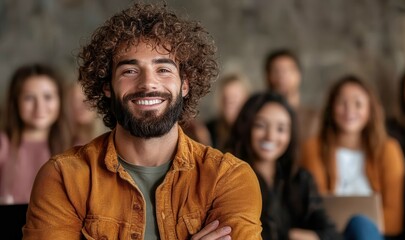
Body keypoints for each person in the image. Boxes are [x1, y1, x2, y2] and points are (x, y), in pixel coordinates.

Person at [23, 3, 262, 240]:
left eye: (163, 70)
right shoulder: (64, 177)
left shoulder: (228, 178)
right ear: (107, 86)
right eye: (130, 71)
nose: (148, 83)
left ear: (185, 84)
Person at [300, 75, 405, 238]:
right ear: (331, 108)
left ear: (370, 110)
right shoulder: (313, 148)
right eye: (342, 103)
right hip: (332, 236)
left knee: (361, 225)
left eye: (358, 104)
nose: (349, 110)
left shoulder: (388, 149)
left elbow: (394, 221)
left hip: (374, 235)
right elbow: (316, 209)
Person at [227, 91, 342, 240]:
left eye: (281, 129)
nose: (271, 136)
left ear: (290, 135)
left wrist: (292, 235)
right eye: (260, 125)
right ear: (246, 127)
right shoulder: (230, 179)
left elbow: (332, 234)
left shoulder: (300, 179)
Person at [0, 63, 71, 205]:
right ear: (16, 102)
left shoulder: (78, 146)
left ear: (60, 100)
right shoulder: (3, 143)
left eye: (48, 97)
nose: (40, 107)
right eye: (29, 98)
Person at [264, 48, 319, 143]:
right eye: (276, 71)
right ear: (267, 76)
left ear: (298, 75)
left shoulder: (313, 119)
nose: (281, 76)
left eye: (287, 70)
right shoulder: (258, 115)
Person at [206, 72, 250, 152]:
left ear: (246, 100)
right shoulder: (208, 130)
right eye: (226, 98)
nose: (230, 104)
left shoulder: (253, 130)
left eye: (235, 98)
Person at [67, 82, 108, 146]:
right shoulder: (59, 143)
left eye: (86, 100)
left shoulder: (109, 143)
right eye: (75, 100)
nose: (80, 106)